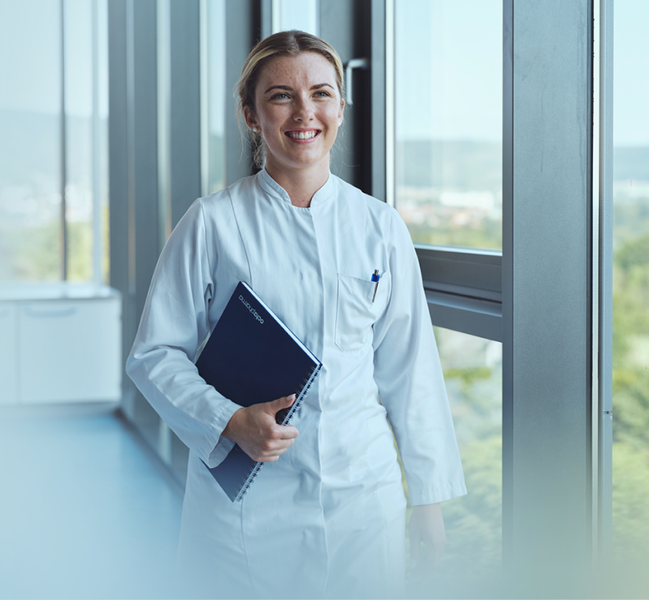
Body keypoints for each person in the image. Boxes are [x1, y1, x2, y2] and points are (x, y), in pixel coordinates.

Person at [125, 30, 466, 598]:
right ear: (251, 114)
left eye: (321, 93)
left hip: (364, 498)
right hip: (247, 506)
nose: (304, 112)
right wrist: (229, 421)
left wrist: (428, 499)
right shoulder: (211, 223)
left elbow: (411, 371)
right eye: (281, 96)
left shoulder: (380, 227)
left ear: (340, 107)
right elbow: (154, 355)